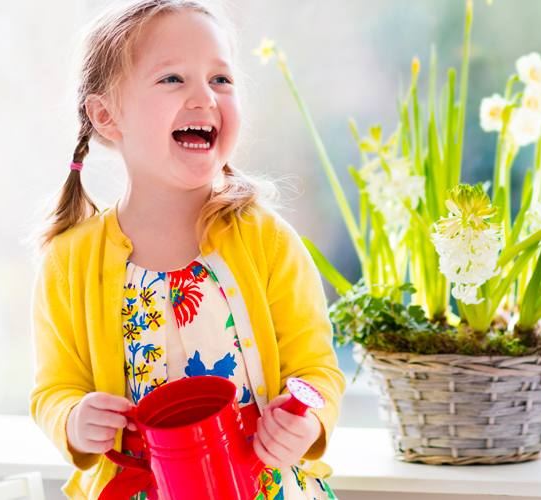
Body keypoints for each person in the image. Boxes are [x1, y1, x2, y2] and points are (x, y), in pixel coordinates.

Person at [29, 1, 344, 499]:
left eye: (221, 79)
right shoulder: (69, 263)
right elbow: (54, 387)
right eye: (172, 79)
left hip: (264, 487)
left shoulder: (266, 239)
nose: (205, 97)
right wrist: (72, 420)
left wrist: (308, 424)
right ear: (106, 114)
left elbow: (317, 368)